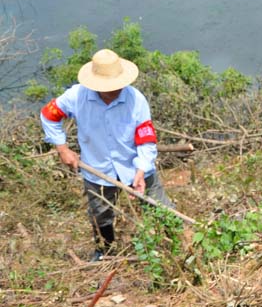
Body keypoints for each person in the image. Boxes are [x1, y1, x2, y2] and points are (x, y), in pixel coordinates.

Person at [40, 48, 174, 262]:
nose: (114, 90)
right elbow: (48, 115)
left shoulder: (135, 100)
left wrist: (141, 169)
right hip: (98, 170)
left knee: (161, 208)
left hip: (134, 166)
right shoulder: (76, 96)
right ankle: (105, 253)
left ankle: (174, 247)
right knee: (100, 214)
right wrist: (63, 149)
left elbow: (146, 139)